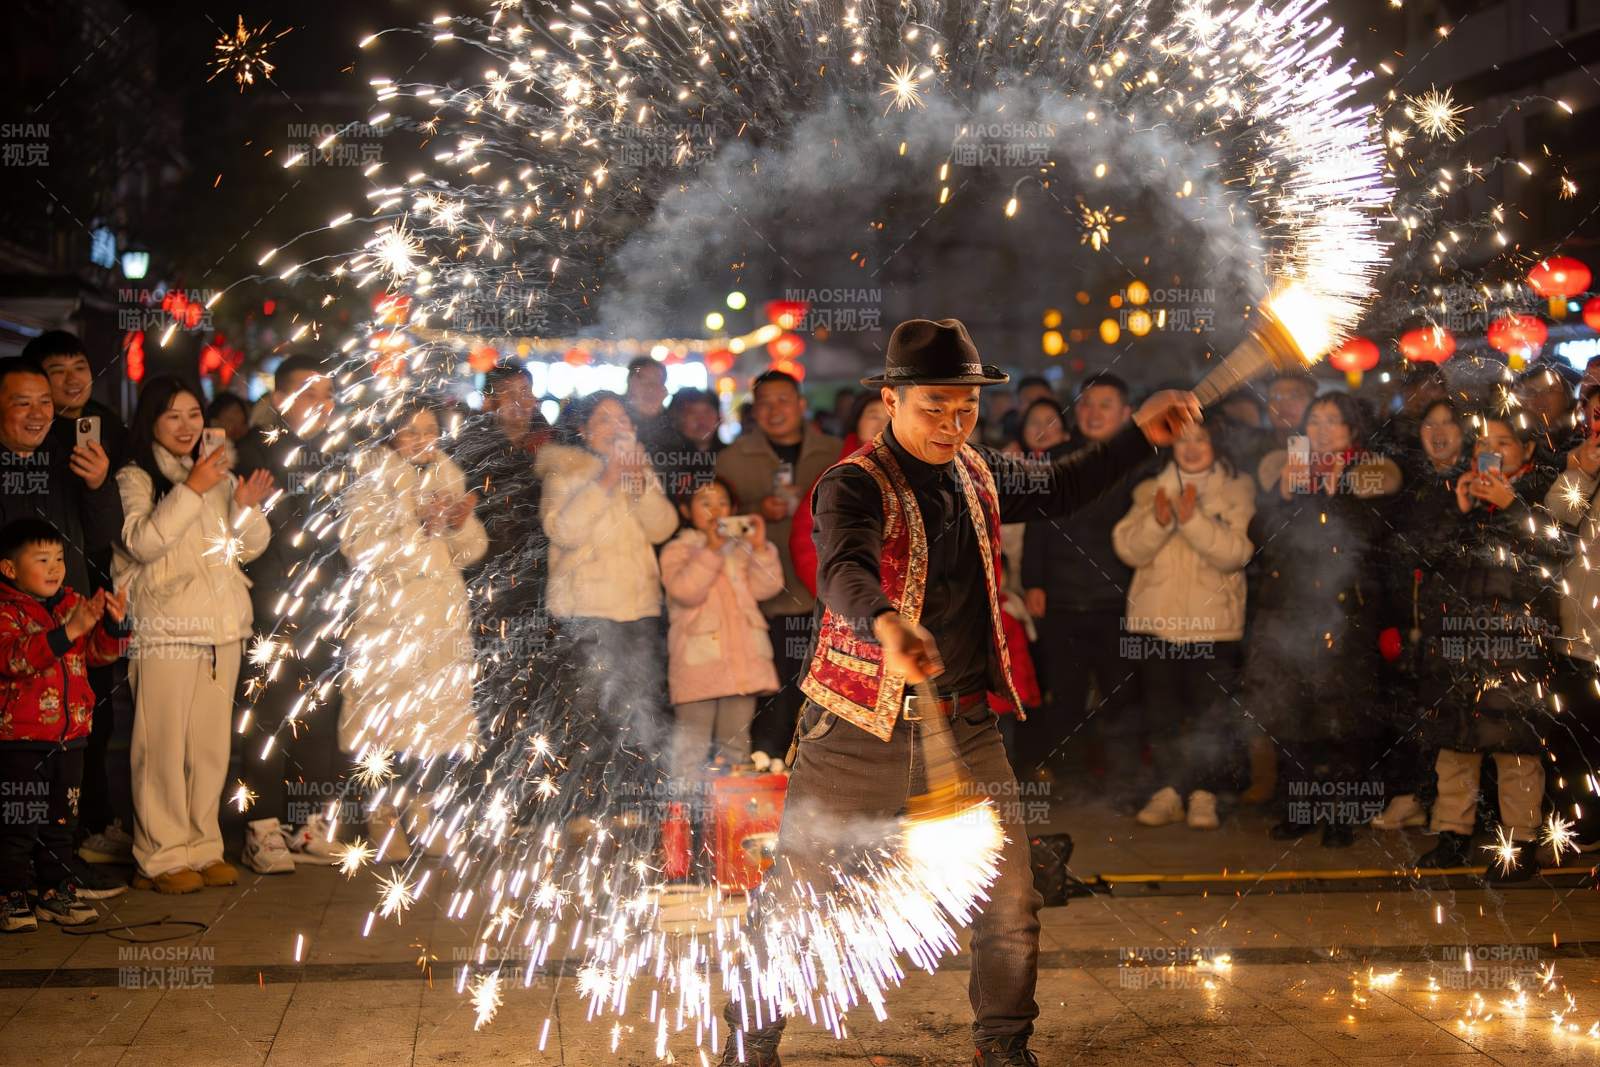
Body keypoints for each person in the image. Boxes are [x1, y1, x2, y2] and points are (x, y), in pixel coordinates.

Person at [717, 318, 1198, 1067]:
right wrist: (885, 622)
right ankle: (749, 1042)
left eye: (965, 409)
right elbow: (843, 567)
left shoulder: (978, 472)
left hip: (966, 725)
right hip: (853, 731)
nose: (950, 424)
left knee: (1010, 902)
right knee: (797, 897)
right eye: (934, 407)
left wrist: (1141, 434)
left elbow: (1062, 483)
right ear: (891, 399)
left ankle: (1003, 1045)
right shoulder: (851, 482)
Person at [114, 376, 274, 894]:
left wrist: (245, 505)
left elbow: (246, 549)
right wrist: (193, 489)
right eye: (172, 416)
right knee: (160, 747)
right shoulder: (136, 476)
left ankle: (204, 847)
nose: (186, 427)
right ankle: (160, 856)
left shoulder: (215, 472)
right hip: (166, 630)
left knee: (208, 748)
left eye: (192, 415)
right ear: (152, 423)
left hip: (222, 629)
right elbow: (143, 543)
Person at [1414, 413, 1567, 880]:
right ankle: (1452, 834)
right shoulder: (1459, 492)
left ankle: (1518, 844)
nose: (1493, 448)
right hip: (1460, 639)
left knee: (1516, 747)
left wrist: (1514, 505)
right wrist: (1457, 509)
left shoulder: (1544, 492)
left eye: (1504, 441)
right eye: (1485, 440)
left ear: (1528, 450)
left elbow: (1561, 548)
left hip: (1517, 643)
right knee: (1456, 743)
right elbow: (1419, 554)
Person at [1247, 392, 1400, 847]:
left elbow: (1375, 541)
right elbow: (1259, 541)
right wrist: (1284, 496)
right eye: (1315, 421)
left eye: (1333, 422)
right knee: (1292, 713)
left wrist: (1338, 494)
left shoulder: (1373, 475)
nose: (1321, 430)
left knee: (1343, 719)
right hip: (1288, 611)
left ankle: (1342, 814)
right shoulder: (1287, 473)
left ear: (1353, 430)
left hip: (1347, 613)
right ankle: (1299, 807)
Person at [339, 399, 487, 859]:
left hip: (440, 622)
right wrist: (416, 527)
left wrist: (459, 526)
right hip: (391, 621)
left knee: (435, 723)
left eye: (430, 429)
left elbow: (472, 550)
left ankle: (424, 813)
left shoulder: (447, 473)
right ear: (391, 435)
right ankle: (382, 816)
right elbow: (357, 548)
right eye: (411, 431)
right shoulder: (371, 477)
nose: (423, 439)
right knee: (386, 722)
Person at [0, 356, 126, 892]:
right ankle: (13, 884)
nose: (36, 413)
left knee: (68, 771)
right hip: (13, 631)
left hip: (68, 624)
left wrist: (99, 483)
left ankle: (57, 874)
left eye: (44, 402)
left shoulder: (66, 457)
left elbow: (103, 536)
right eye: (21, 403)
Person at [1113, 420, 1255, 831]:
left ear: (1217, 444)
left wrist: (1192, 521)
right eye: (1182, 441)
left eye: (1201, 440)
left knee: (1210, 714)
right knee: (1162, 713)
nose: (1191, 449)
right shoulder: (1150, 488)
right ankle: (1168, 790)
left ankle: (1204, 794)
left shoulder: (1236, 489)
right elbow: (1127, 548)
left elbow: (1237, 552)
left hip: (1214, 625)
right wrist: (1158, 522)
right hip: (1157, 622)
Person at [232, 353, 344, 873]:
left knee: (318, 718)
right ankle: (261, 827)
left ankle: (306, 825)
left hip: (326, 608)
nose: (323, 403)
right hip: (272, 607)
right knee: (268, 719)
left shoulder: (335, 454)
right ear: (279, 400)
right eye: (310, 392)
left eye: (327, 394)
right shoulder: (253, 452)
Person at [1019, 373, 1144, 799]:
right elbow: (1037, 523)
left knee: (1119, 694)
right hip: (1062, 596)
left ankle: (1121, 782)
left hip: (1120, 600)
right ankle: (1065, 781)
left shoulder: (1139, 461)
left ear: (1126, 414)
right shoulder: (1054, 459)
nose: (1092, 413)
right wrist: (1032, 581)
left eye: (1104, 405)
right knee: (1065, 694)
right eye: (1086, 404)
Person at [0, 519, 129, 931]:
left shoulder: (70, 602)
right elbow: (15, 659)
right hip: (20, 741)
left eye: (59, 558)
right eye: (42, 560)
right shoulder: (7, 611)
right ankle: (10, 895)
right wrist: (69, 629)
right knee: (18, 824)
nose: (56, 567)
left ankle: (55, 891)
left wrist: (112, 624)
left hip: (71, 737)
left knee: (62, 822)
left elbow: (98, 655)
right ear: (9, 569)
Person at [538, 392, 678, 746]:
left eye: (623, 420)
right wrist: (606, 479)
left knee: (640, 708)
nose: (616, 428)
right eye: (604, 420)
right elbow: (564, 531)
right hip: (588, 613)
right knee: (590, 712)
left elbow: (662, 528)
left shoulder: (640, 470)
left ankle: (634, 792)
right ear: (583, 430)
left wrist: (638, 485)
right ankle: (587, 795)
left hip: (639, 607)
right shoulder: (564, 471)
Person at [716, 370, 840, 757]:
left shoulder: (835, 452)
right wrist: (757, 511)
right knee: (772, 699)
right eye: (765, 403)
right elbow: (713, 524)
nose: (774, 410)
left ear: (801, 404)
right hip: (764, 600)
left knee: (823, 694)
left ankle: (821, 778)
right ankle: (769, 779)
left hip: (825, 595)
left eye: (783, 400)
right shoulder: (733, 459)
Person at [1372, 398, 1470, 832]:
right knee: (1412, 711)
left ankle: (1446, 808)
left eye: (1449, 423)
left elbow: (1446, 551)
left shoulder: (1476, 482)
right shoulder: (1412, 484)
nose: (1439, 431)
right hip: (1414, 620)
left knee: (1454, 719)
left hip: (1460, 623)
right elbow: (1391, 553)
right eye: (1430, 424)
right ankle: (1414, 794)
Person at [454, 364, 555, 776]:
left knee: (538, 692)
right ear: (489, 401)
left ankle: (533, 789)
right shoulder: (470, 450)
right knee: (492, 691)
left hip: (541, 589)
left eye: (526, 391)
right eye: (508, 393)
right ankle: (485, 784)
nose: (520, 402)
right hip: (488, 589)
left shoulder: (551, 446)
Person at [661, 479, 784, 780]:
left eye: (723, 503)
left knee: (737, 745)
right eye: (705, 503)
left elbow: (767, 587)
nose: (715, 510)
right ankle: (684, 813)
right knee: (692, 746)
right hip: (698, 666)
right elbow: (686, 591)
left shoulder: (740, 549)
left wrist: (760, 547)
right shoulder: (677, 550)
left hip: (741, 665)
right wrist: (712, 551)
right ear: (685, 510)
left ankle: (733, 817)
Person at [1544, 409, 1600, 851]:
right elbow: (1553, 518)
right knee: (1583, 737)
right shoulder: (1581, 464)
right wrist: (1581, 471)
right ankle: (1588, 823)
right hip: (1582, 631)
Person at [790, 391, 891, 595]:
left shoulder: (921, 471)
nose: (883, 424)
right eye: (873, 415)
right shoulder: (837, 476)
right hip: (854, 604)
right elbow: (804, 539)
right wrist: (834, 597)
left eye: (891, 416)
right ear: (857, 422)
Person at [625, 356, 672, 448]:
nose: (651, 388)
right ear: (629, 386)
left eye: (657, 382)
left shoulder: (677, 424)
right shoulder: (615, 421)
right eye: (643, 382)